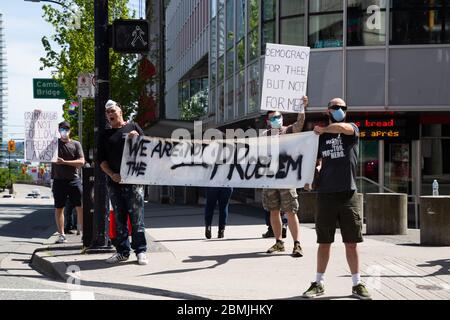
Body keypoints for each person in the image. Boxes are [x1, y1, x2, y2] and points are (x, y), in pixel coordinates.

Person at [302, 98, 371, 300]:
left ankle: (357, 284)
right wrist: (310, 177)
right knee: (324, 242)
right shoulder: (320, 138)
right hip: (325, 194)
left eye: (343, 107)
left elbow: (342, 127)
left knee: (351, 243)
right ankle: (318, 282)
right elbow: (313, 161)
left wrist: (323, 130)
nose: (340, 110)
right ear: (328, 110)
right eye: (336, 107)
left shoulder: (351, 129)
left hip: (348, 193)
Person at [98, 99, 148, 265]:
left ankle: (140, 251)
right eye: (108, 112)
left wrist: (138, 138)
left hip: (134, 182)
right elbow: (101, 161)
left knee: (137, 217)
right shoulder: (105, 135)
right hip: (115, 182)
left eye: (113, 110)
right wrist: (112, 174)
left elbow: (149, 149)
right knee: (119, 218)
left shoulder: (133, 127)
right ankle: (122, 252)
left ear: (120, 111)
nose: (110, 114)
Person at [262, 96, 308, 258]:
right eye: (272, 118)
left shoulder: (289, 131)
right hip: (270, 179)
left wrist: (302, 108)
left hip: (287, 178)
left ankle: (297, 244)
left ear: (282, 118)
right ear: (268, 121)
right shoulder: (264, 136)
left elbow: (300, 124)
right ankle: (279, 242)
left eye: (278, 117)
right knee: (273, 211)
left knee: (290, 211)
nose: (276, 119)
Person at [51, 121, 85, 244]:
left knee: (80, 207)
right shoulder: (54, 144)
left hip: (74, 180)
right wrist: (35, 119)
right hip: (58, 181)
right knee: (59, 208)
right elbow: (37, 142)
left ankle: (83, 233)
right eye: (61, 129)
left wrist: (64, 162)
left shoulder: (76, 144)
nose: (64, 131)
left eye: (66, 129)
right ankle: (61, 235)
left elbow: (81, 162)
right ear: (58, 131)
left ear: (70, 130)